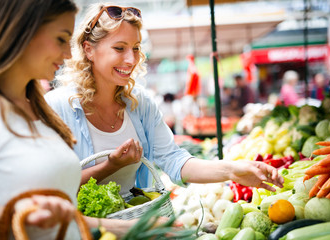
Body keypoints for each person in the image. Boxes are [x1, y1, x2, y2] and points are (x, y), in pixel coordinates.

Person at [45, 3, 283, 196]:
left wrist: (233, 170)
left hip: (138, 223)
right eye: (119, 48)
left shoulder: (139, 103)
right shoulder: (57, 107)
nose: (131, 59)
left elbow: (174, 160)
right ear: (88, 50)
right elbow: (52, 187)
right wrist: (110, 166)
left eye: (136, 48)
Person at [0, 1, 137, 239]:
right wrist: (12, 212)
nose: (69, 54)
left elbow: (64, 217)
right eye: (61, 39)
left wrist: (136, 227)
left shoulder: (41, 113)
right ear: (21, 31)